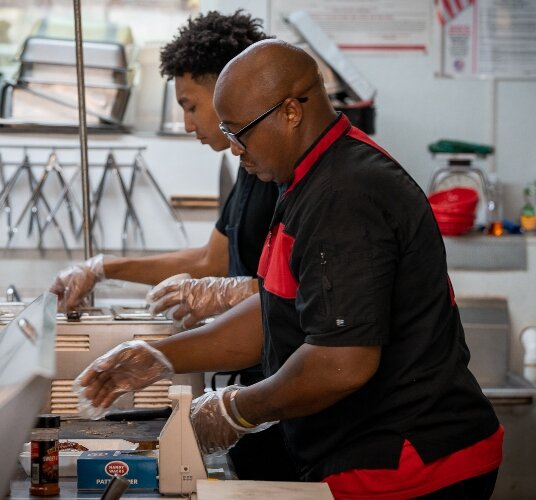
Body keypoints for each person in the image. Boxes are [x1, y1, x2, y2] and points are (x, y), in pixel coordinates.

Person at [74, 39, 503, 499]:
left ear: (291, 112)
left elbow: (340, 364)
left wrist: (235, 409)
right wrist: (161, 355)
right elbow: (276, 316)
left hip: (410, 462)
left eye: (240, 133)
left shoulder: (346, 194)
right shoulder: (304, 179)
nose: (234, 148)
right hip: (364, 450)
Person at [50, 11, 297, 481]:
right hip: (256, 382)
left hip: (284, 387)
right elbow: (211, 260)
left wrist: (229, 296)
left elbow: (304, 297)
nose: (187, 125)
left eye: (190, 105)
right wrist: (104, 267)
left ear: (230, 88)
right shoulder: (244, 169)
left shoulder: (282, 170)